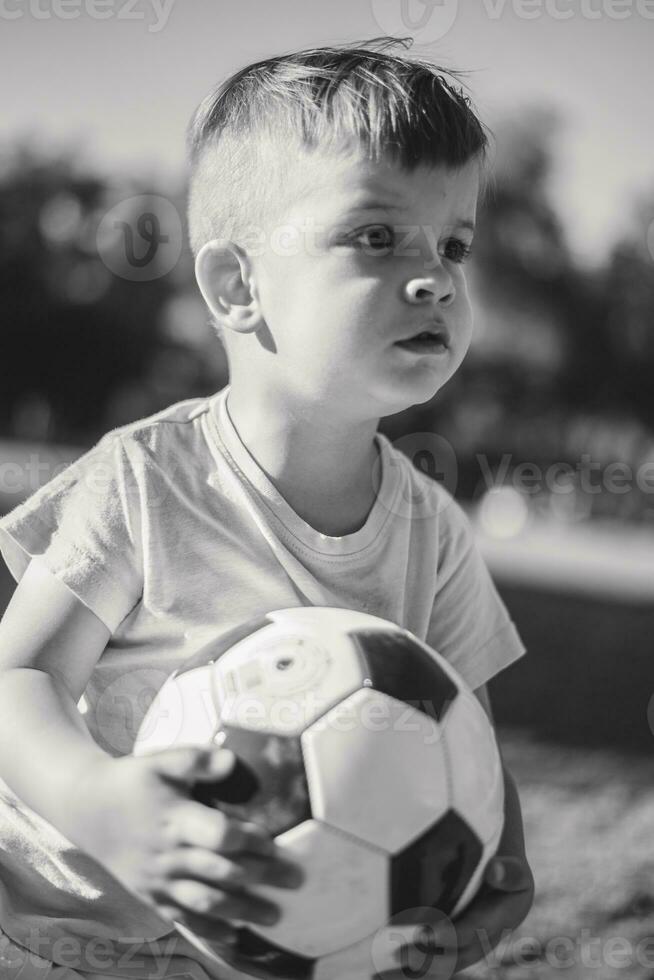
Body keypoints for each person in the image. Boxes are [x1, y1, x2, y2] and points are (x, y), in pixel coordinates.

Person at [0, 37, 534, 980]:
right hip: (70, 935)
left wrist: (496, 868)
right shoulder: (145, 480)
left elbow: (461, 738)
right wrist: (96, 799)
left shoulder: (434, 536)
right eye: (378, 237)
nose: (435, 276)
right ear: (238, 286)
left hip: (286, 947)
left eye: (454, 243)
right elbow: (17, 681)